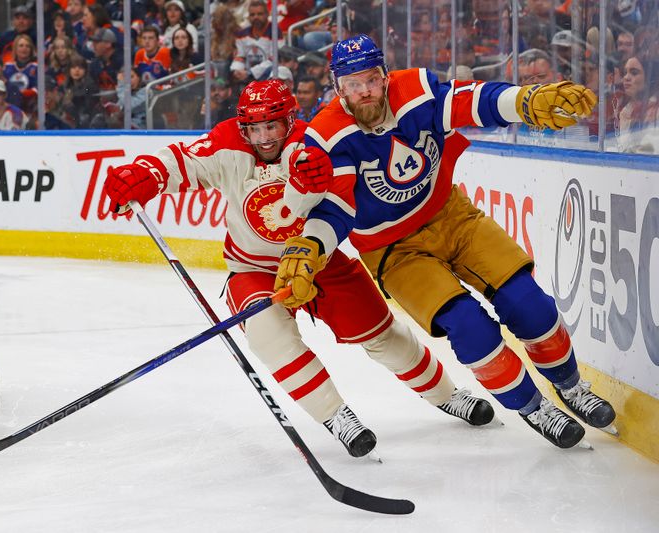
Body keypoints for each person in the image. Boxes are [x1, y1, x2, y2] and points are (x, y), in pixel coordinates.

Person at [102, 79, 496, 459]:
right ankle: (336, 416)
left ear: (289, 119)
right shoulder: (226, 143)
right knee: (267, 334)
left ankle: (447, 395)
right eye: (254, 129)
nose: (264, 138)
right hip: (252, 267)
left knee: (382, 334)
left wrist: (313, 203)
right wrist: (144, 174)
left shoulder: (315, 142)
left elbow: (336, 198)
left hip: (317, 261)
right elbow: (179, 161)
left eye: (271, 125)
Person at [273, 34, 617, 450]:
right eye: (352, 83)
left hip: (450, 215)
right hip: (393, 250)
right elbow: (336, 210)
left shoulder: (415, 90)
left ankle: (570, 386)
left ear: (384, 75)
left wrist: (524, 101)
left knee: (529, 302)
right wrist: (312, 248)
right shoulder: (328, 135)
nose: (363, 91)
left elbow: (474, 101)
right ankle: (532, 407)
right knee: (469, 328)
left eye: (370, 79)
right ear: (337, 87)